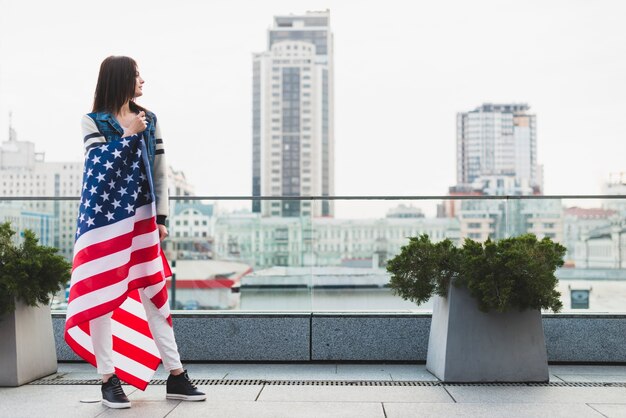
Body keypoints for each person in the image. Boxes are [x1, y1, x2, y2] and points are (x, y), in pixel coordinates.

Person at [80, 55, 206, 409]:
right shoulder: (92, 122)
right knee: (102, 298)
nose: (143, 81)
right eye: (137, 75)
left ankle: (177, 375)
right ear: (120, 78)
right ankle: (108, 378)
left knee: (155, 294)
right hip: (102, 224)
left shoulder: (150, 120)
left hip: (142, 220)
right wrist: (127, 134)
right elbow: (98, 169)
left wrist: (161, 219)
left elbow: (161, 171)